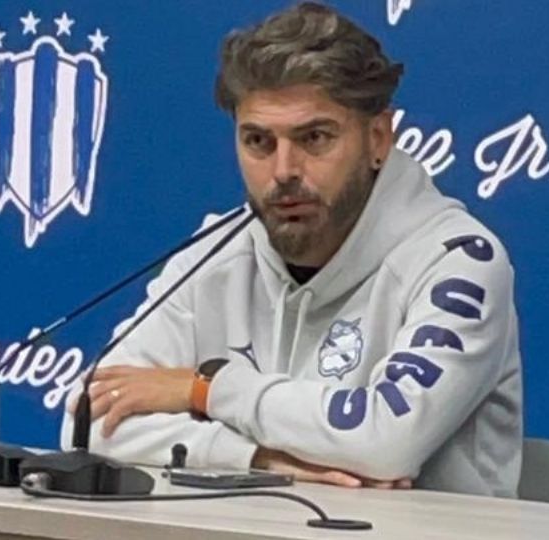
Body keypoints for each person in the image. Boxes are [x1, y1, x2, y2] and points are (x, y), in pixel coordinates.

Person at [61, 1, 523, 497]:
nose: (283, 171)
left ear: (377, 138)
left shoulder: (459, 260)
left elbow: (388, 442)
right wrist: (255, 458)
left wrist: (206, 388)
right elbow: (88, 423)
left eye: (314, 138)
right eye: (259, 141)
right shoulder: (215, 253)